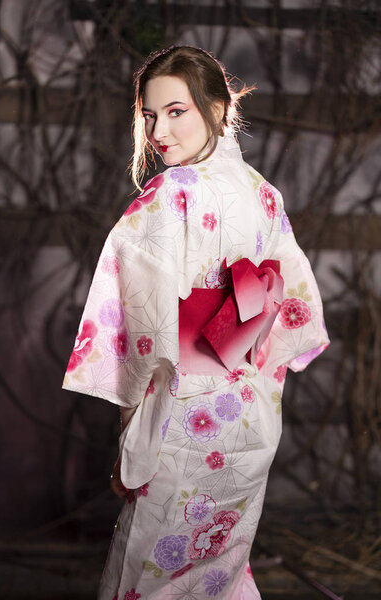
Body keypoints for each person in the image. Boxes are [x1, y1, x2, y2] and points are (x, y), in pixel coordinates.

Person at [62, 45, 330, 600]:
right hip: (250, 415)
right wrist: (244, 357)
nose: (160, 131)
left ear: (216, 106)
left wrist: (132, 437)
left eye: (176, 111)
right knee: (221, 572)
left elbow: (144, 335)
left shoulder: (171, 194)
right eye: (150, 115)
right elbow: (292, 311)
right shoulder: (263, 191)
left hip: (184, 420)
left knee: (152, 577)